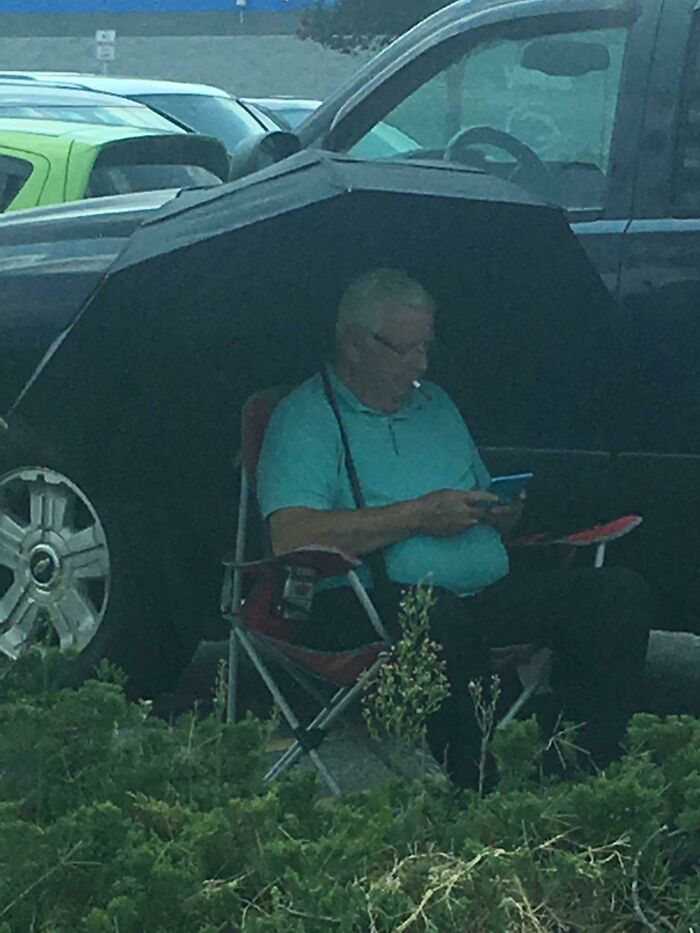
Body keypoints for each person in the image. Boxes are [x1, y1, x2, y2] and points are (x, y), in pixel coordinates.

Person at [256, 268, 652, 789]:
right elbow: (290, 535)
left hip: (482, 595)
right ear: (354, 343)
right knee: (437, 615)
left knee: (616, 593)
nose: (421, 364)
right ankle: (478, 792)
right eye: (406, 350)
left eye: (427, 347)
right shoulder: (307, 418)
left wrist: (499, 511)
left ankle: (578, 768)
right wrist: (419, 515)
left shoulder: (434, 404)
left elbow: (476, 494)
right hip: (364, 604)